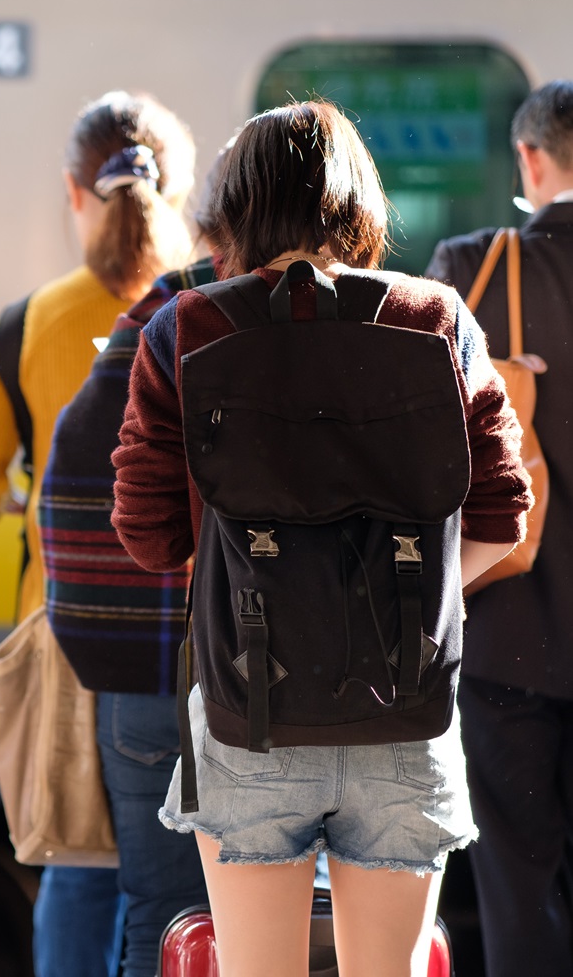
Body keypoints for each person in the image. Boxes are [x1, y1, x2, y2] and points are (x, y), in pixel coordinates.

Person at [111, 100, 531, 977]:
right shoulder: (437, 319)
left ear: (240, 207)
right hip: (405, 710)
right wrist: (412, 599)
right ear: (362, 204)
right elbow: (503, 515)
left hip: (247, 712)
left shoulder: (186, 328)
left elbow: (150, 539)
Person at [0, 90, 195, 977]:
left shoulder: (29, 326)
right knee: (192, 882)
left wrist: (22, 496)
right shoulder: (214, 307)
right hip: (204, 639)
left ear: (73, 195)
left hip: (71, 635)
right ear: (185, 191)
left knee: (81, 870)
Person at [37, 146, 230, 977]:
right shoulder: (379, 317)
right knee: (314, 912)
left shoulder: (163, 314)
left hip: (154, 679)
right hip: (327, 682)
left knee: (161, 910)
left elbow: (74, 492)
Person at [424, 79, 573, 977]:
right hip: (510, 645)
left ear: (530, 158)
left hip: (507, 634)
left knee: (517, 880)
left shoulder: (476, 269)